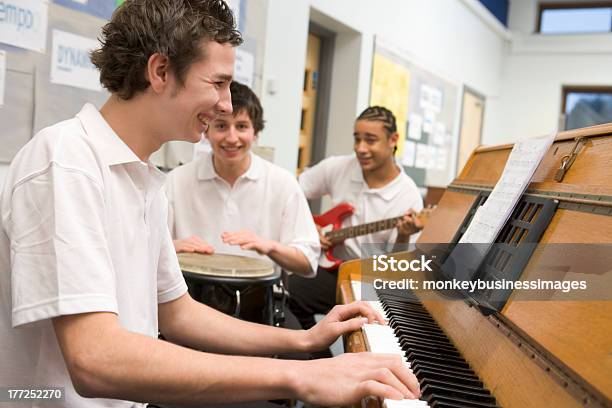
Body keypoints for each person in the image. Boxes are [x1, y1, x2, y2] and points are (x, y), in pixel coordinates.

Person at [0, 1, 420, 407]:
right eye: (217, 83)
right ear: (161, 71)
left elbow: (178, 313)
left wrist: (303, 341)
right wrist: (302, 375)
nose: (227, 104)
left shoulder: (142, 178)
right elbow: (95, 359)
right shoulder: (67, 162)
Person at [289, 106, 425, 343]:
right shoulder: (339, 167)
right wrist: (308, 228)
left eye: (370, 140)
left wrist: (403, 235)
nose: (361, 148)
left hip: (373, 281)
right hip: (334, 270)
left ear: (393, 140)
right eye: (357, 139)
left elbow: (395, 268)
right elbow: (292, 192)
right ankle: (314, 355)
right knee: (291, 292)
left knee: (361, 334)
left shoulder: (408, 195)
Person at [166, 81, 319, 279]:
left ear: (255, 133)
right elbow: (144, 250)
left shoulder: (283, 183)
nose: (231, 138)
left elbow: (308, 264)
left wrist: (270, 247)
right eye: (221, 126)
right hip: (189, 299)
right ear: (206, 131)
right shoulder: (176, 181)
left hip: (259, 302)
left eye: (241, 126)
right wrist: (172, 246)